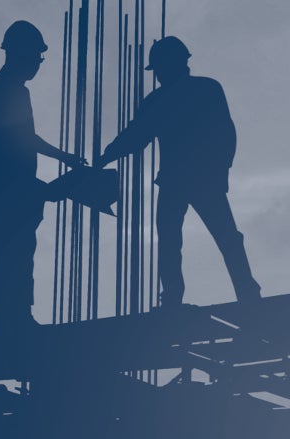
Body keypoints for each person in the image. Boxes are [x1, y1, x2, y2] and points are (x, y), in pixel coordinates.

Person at [98, 36, 261, 307]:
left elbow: (223, 132)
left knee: (190, 238)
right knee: (195, 238)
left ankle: (185, 296)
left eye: (159, 68)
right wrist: (108, 155)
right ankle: (243, 292)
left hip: (193, 177)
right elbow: (137, 135)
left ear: (174, 63)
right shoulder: (197, 91)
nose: (158, 74)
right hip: (189, 178)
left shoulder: (180, 95)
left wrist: (107, 155)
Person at [0, 20, 87, 335]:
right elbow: (19, 139)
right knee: (9, 256)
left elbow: (24, 138)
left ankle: (16, 319)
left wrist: (61, 161)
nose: (39, 63)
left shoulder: (9, 89)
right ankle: (5, 323)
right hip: (3, 190)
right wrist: (59, 166)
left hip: (10, 189)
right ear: (20, 54)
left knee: (18, 255)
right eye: (36, 56)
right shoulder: (4, 90)